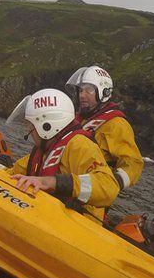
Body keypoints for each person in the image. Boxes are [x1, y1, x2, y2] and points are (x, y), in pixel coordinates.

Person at [6, 88, 120, 221]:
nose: (28, 130)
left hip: (80, 228)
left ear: (46, 126)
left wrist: (52, 182)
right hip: (50, 218)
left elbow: (109, 187)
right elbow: (15, 171)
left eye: (31, 126)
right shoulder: (44, 151)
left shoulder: (79, 145)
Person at [65, 65, 143, 191]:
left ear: (104, 92)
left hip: (85, 197)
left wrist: (111, 183)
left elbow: (133, 163)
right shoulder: (79, 119)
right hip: (64, 183)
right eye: (80, 90)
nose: (82, 95)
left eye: (88, 90)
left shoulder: (117, 125)